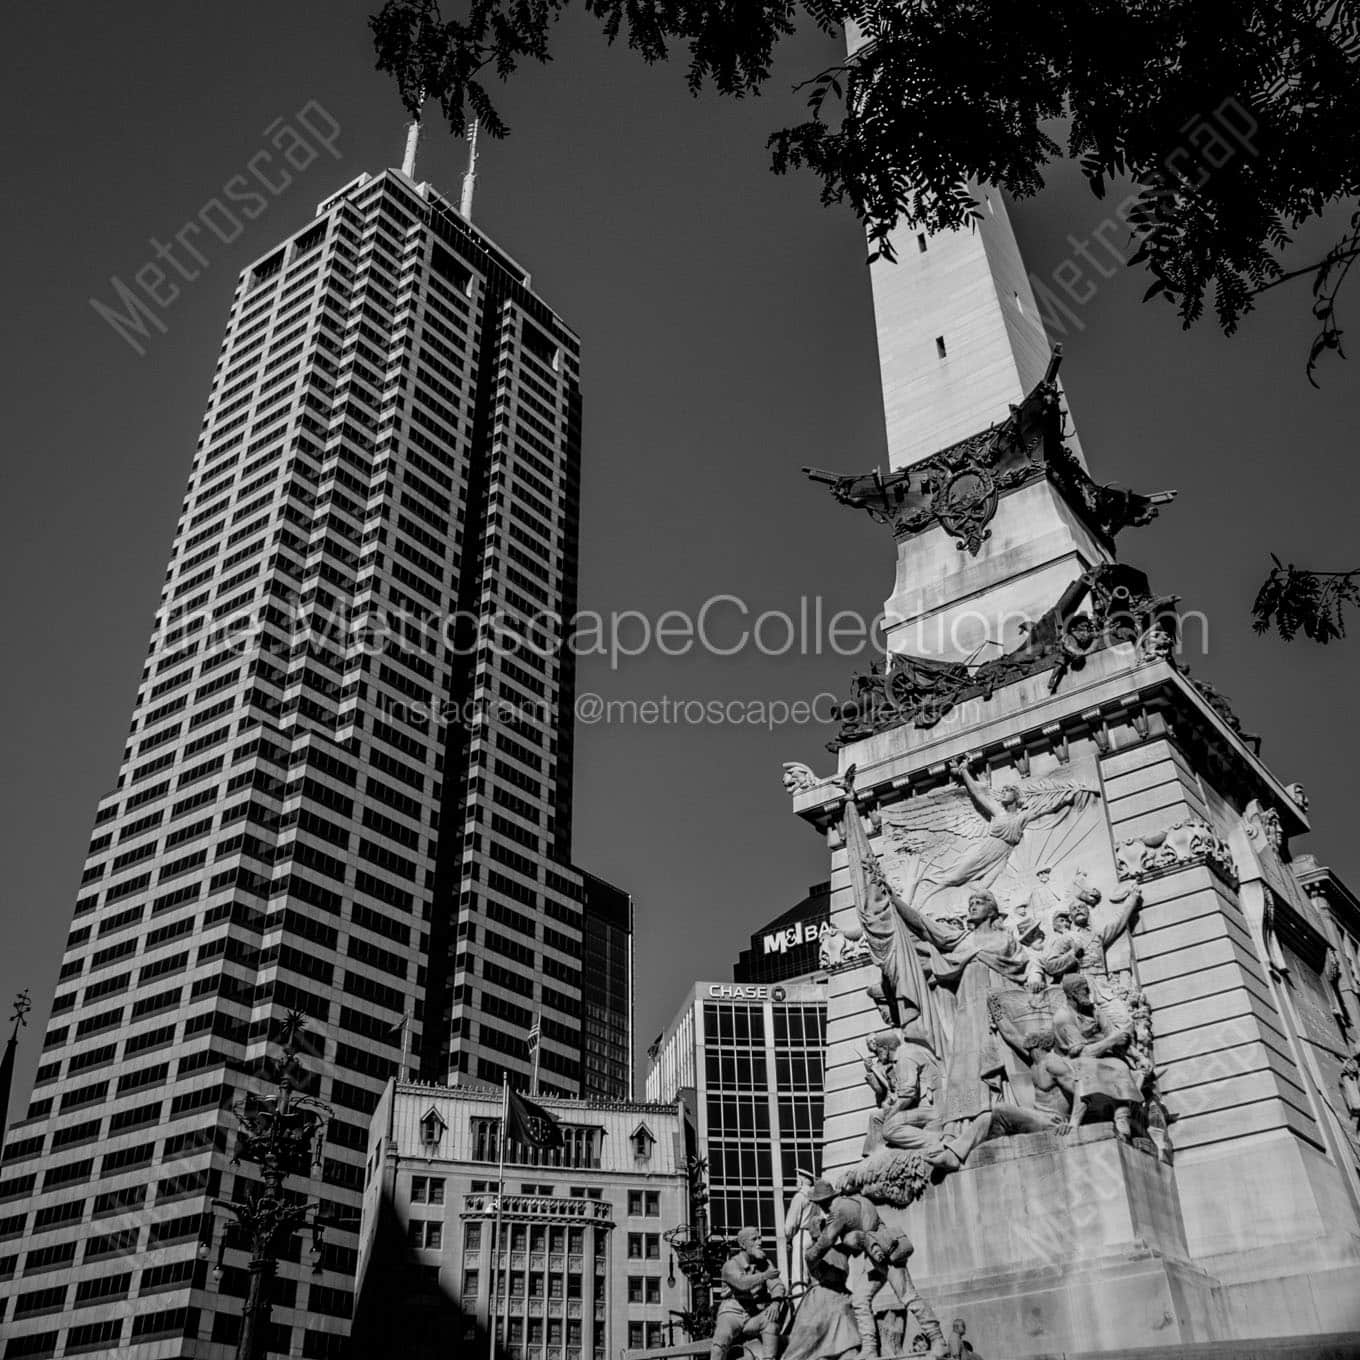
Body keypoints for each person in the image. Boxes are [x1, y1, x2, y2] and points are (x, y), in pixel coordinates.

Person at [805, 1181, 946, 1358]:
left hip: (886, 1255)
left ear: (822, 1202)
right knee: (860, 1299)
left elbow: (826, 1241)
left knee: (908, 1296)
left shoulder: (838, 1211)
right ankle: (869, 1348)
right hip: (874, 1258)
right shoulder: (859, 1200)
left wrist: (810, 1255)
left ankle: (938, 1340)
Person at [708, 1227, 786, 1360]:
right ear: (743, 1244)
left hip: (752, 1315)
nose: (759, 1242)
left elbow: (777, 1285)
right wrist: (764, 1276)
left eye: (760, 1238)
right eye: (754, 1239)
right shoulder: (730, 1265)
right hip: (731, 1312)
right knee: (721, 1340)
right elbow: (742, 1283)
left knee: (771, 1320)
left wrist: (775, 1303)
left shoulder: (764, 1263)